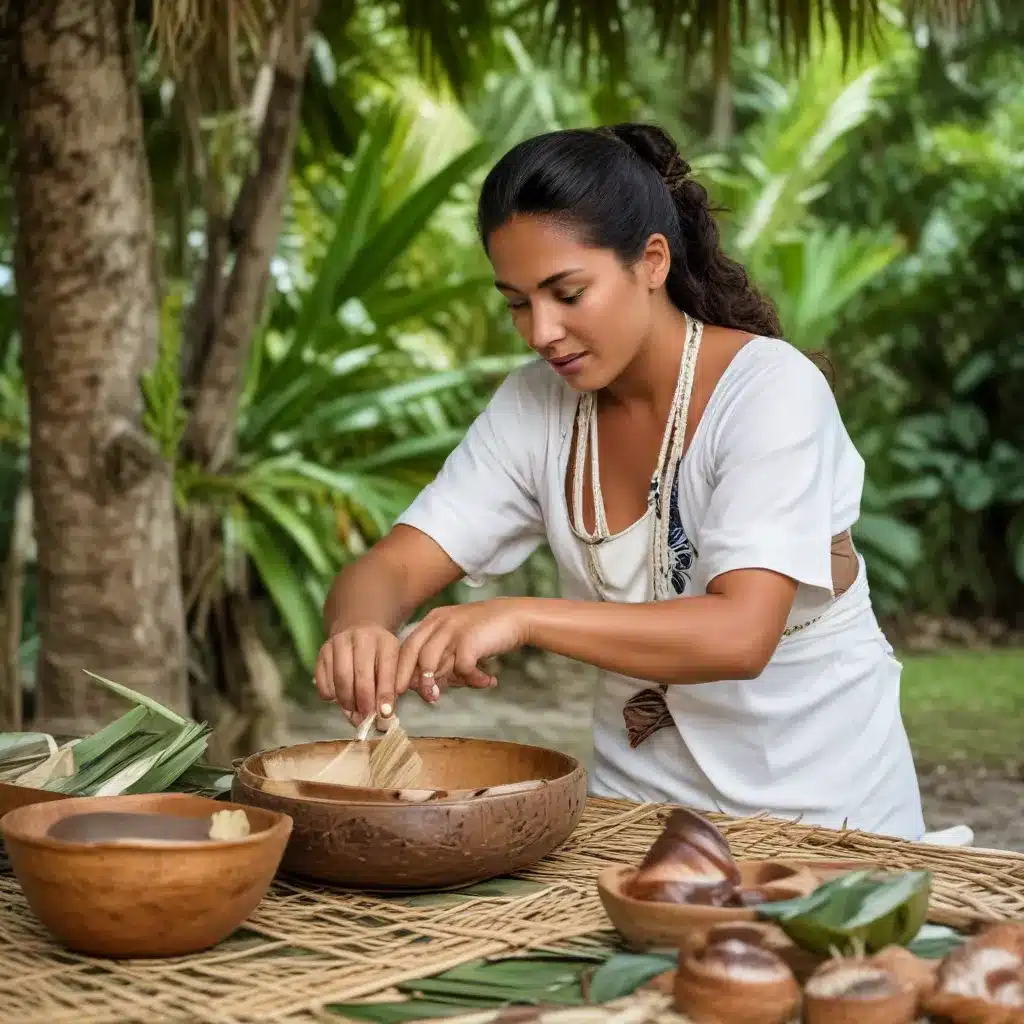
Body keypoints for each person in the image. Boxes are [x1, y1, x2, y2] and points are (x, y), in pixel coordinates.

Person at [314, 122, 926, 840]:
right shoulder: (536, 406)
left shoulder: (769, 391)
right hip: (631, 823)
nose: (540, 330)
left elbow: (741, 632)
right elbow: (392, 565)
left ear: (653, 262)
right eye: (516, 302)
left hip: (827, 825)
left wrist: (521, 616)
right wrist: (359, 632)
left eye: (567, 292)